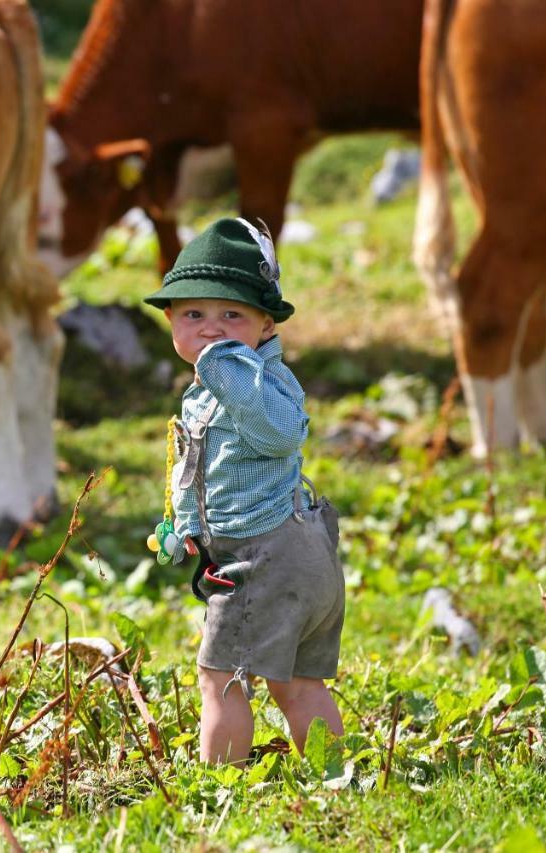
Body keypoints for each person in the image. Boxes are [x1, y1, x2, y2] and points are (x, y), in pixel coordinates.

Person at [144, 217, 345, 765]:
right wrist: (188, 529)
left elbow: (281, 433)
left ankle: (221, 787)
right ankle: (332, 775)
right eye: (193, 315)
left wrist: (224, 368)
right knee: (297, 683)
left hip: (269, 555)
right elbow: (213, 471)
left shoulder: (254, 380)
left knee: (219, 678)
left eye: (231, 314)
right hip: (289, 549)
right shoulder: (215, 385)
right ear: (170, 323)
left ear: (267, 326)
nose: (211, 329)